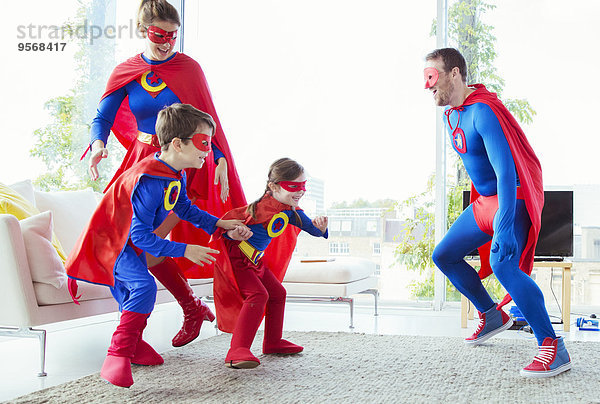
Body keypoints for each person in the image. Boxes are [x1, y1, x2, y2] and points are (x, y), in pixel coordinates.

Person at [86, 0, 246, 348]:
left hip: (175, 166)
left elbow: (206, 121)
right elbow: (102, 118)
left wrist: (218, 156)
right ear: (143, 30)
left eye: (174, 35)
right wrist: (98, 144)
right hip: (138, 165)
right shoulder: (126, 70)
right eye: (160, 34)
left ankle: (162, 322)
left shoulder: (188, 69)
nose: (168, 42)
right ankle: (178, 314)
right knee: (119, 244)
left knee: (146, 243)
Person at [65, 104, 250, 387]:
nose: (208, 151)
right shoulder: (150, 180)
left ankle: (136, 345)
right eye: (203, 143)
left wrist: (217, 224)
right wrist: (186, 249)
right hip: (112, 247)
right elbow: (140, 238)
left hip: (128, 244)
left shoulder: (174, 173)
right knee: (142, 287)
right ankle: (117, 354)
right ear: (177, 143)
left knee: (137, 291)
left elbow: (185, 208)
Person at [424, 48, 570, 378]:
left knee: (504, 264)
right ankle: (491, 315)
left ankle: (553, 347)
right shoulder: (453, 115)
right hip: (485, 202)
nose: (427, 86)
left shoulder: (484, 112)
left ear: (455, 74)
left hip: (510, 199)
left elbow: (506, 173)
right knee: (444, 255)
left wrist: (503, 226)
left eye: (432, 76)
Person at [211, 158, 328, 369]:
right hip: (238, 259)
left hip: (255, 260)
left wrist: (320, 228)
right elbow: (225, 228)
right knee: (258, 295)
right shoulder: (261, 209)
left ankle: (273, 341)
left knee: (277, 293)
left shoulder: (289, 210)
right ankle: (236, 350)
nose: (300, 191)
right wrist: (234, 233)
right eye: (293, 186)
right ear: (273, 186)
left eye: (303, 185)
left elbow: (311, 228)